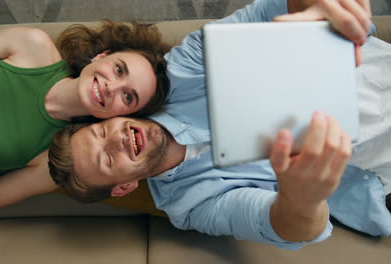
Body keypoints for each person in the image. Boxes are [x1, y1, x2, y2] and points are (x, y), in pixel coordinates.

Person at [48, 0, 391, 250]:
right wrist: (302, 200)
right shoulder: (189, 205)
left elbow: (277, 9)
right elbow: (284, 226)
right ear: (123, 187)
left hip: (374, 73)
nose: (117, 140)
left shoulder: (181, 68)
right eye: (107, 160)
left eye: (102, 131)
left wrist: (321, 10)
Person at [0, 21, 170, 209]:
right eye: (118, 69)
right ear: (101, 56)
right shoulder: (33, 44)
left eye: (128, 97)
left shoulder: (59, 157)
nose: (111, 87)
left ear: (126, 114)